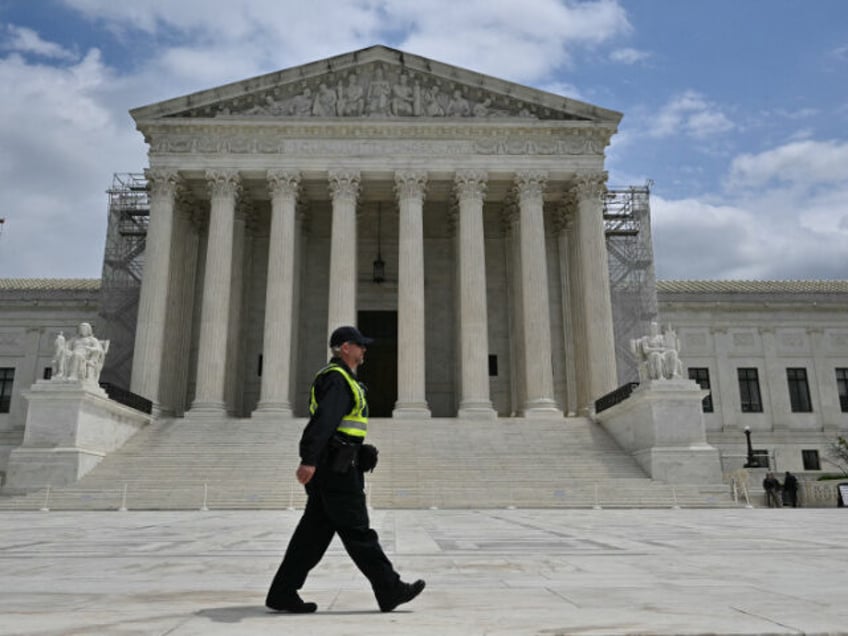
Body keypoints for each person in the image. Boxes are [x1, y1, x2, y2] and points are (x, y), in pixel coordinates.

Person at [265, 325, 425, 614]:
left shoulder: (344, 380)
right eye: (360, 345)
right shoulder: (338, 380)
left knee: (311, 537)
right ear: (345, 347)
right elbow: (324, 421)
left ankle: (282, 592)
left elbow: (340, 426)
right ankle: (390, 589)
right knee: (358, 532)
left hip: (335, 465)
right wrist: (309, 458)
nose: (365, 350)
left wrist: (358, 449)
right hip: (335, 471)